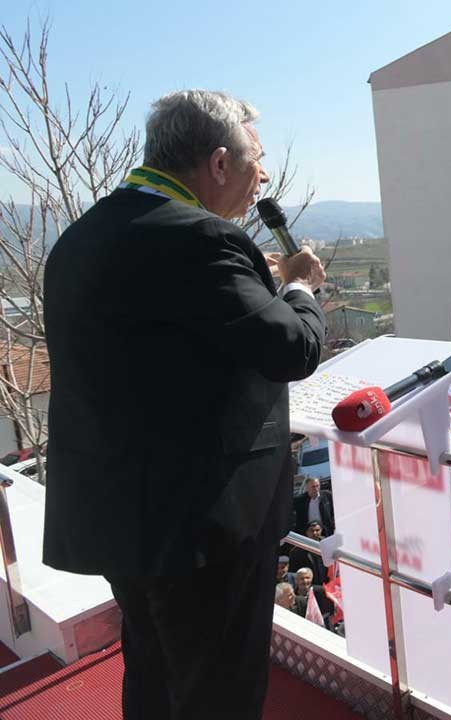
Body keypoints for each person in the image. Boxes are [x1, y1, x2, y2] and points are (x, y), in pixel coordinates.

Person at [44, 90, 326, 720]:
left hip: (121, 517)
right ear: (219, 164)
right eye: (258, 159)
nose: (265, 176)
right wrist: (300, 288)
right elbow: (293, 348)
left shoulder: (83, 236)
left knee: (151, 672)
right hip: (201, 529)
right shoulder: (201, 240)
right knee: (218, 690)